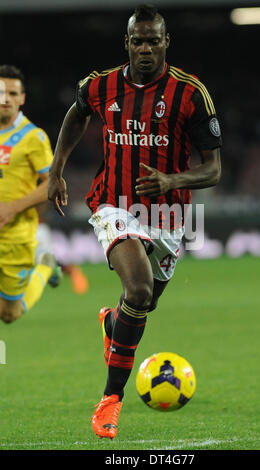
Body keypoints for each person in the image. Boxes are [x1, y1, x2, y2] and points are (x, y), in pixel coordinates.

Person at [48, 4, 222, 439]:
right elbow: (76, 113)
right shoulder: (100, 85)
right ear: (127, 43)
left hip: (168, 213)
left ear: (166, 43)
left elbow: (214, 168)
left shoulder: (190, 93)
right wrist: (56, 170)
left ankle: (112, 324)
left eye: (154, 40)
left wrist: (172, 179)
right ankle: (110, 401)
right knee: (139, 288)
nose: (146, 48)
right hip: (113, 202)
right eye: (138, 40)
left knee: (141, 305)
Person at [0, 65, 62, 324]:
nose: (6, 99)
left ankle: (46, 266)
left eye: (13, 94)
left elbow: (52, 185)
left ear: (22, 98)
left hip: (16, 237)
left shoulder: (33, 137)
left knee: (9, 315)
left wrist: (12, 208)